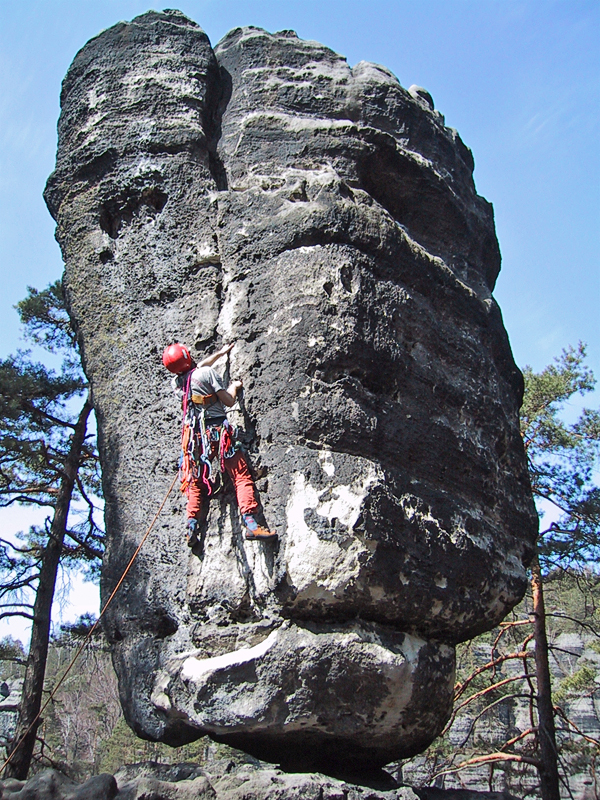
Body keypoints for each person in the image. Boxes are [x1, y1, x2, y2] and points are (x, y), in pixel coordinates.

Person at [162, 341, 277, 545]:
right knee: (240, 475)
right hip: (218, 434)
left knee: (195, 482)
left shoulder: (178, 383)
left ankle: (191, 526)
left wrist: (220, 353)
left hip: (195, 441)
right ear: (188, 357)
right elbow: (229, 401)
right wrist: (233, 386)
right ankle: (251, 525)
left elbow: (195, 370)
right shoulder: (207, 374)